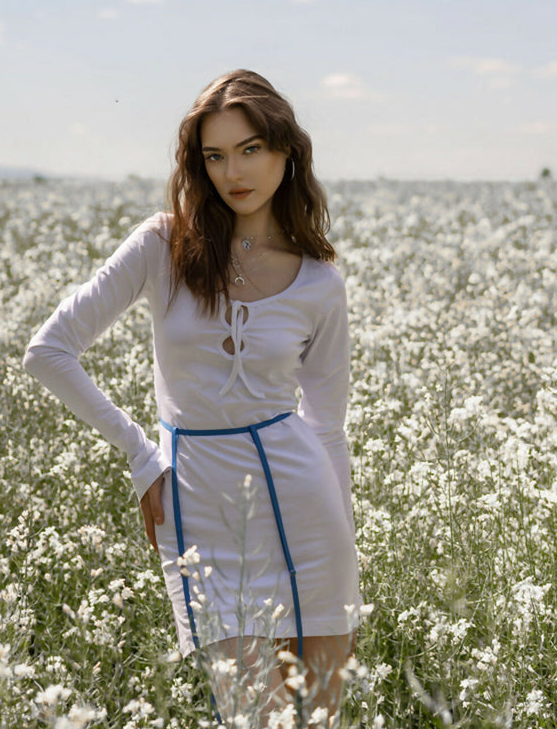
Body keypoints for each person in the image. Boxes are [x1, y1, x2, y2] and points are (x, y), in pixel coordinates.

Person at [23, 70, 361, 727]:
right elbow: (49, 350)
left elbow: (328, 427)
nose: (234, 170)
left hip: (313, 517)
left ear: (287, 151)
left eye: (250, 148)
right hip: (204, 508)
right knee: (250, 716)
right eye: (215, 155)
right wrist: (142, 454)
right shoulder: (160, 245)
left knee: (321, 720)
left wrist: (346, 534)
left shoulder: (321, 282)